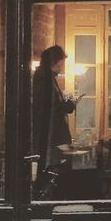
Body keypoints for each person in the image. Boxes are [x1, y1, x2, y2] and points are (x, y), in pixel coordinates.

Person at [32, 45, 80, 197]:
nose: (61, 68)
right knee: (51, 171)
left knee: (53, 170)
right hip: (49, 137)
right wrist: (70, 104)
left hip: (51, 136)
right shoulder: (44, 79)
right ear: (55, 63)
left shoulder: (46, 77)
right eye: (60, 64)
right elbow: (48, 108)